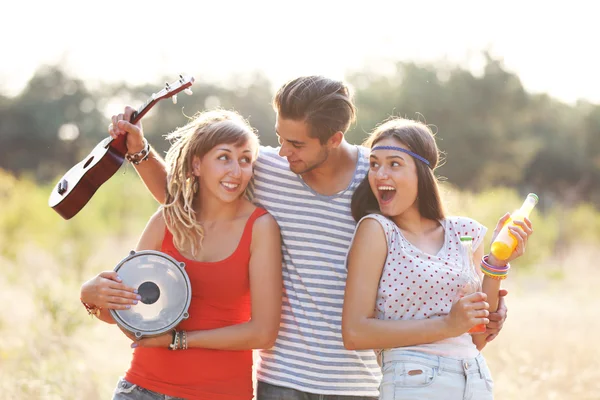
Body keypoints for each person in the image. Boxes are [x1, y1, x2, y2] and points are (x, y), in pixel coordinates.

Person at [107, 76, 509, 399]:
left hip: (360, 384)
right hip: (281, 379)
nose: (281, 152)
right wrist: (140, 152)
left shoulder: (380, 177)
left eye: (295, 143)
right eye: (280, 136)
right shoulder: (265, 167)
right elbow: (193, 203)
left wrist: (483, 303)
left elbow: (425, 247)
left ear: (333, 139)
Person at [79, 109, 283, 400]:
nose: (236, 171)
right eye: (224, 157)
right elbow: (130, 315)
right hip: (141, 390)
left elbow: (263, 332)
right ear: (197, 164)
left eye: (245, 160)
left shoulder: (261, 227)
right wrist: (90, 296)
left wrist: (180, 340)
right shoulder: (166, 221)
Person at [342, 117, 533, 399]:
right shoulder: (378, 230)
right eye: (374, 164)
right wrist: (447, 325)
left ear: (422, 172)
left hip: (475, 378)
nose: (380, 174)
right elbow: (355, 332)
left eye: (394, 163)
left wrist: (496, 264)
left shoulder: (465, 232)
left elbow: (477, 337)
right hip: (413, 381)